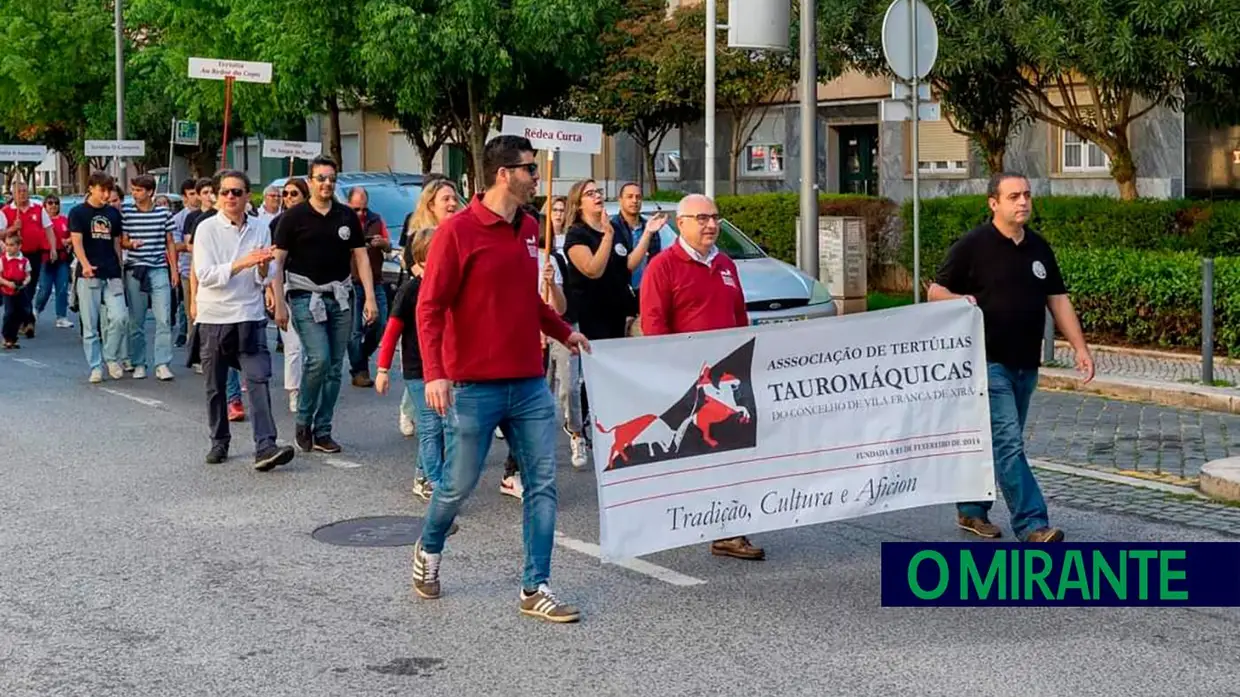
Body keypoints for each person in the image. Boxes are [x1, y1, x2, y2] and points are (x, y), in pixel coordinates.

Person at [411, 135, 590, 623]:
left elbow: (527, 300)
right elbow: (430, 307)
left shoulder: (528, 227)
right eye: (530, 170)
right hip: (472, 385)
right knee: (456, 486)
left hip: (528, 383)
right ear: (503, 174)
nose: (537, 177)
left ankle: (536, 586)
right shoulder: (457, 232)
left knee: (542, 484)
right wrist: (436, 374)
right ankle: (428, 549)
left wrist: (562, 332)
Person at [928, 171, 1095, 544]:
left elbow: (1058, 299)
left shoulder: (1039, 248)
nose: (1023, 202)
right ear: (994, 204)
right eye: (1014, 196)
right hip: (987, 362)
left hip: (1025, 363)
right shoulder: (973, 246)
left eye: (1027, 195)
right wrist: (958, 300)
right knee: (1008, 443)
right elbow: (934, 291)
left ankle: (971, 509)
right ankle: (1033, 524)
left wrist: (1081, 349)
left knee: (998, 440)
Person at [639, 193, 766, 562]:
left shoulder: (725, 264)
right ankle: (666, 519)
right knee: (694, 457)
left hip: (727, 383)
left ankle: (727, 530)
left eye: (715, 217)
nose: (711, 225)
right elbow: (654, 326)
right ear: (682, 223)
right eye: (702, 218)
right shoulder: (663, 267)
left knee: (730, 455)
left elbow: (739, 317)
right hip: (691, 384)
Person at [272, 155, 379, 454]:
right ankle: (303, 420)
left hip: (341, 296)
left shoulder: (346, 217)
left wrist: (369, 297)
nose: (327, 183)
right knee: (318, 358)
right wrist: (279, 302)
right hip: (305, 295)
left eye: (331, 178)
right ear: (310, 182)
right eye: (321, 178)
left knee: (334, 367)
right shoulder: (293, 218)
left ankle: (323, 430)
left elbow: (360, 257)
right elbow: (277, 263)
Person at [192, 169, 296, 471]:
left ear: (248, 196)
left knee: (259, 378)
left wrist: (263, 269)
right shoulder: (206, 229)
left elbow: (264, 278)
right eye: (224, 192)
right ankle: (219, 439)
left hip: (248, 316)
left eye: (237, 192)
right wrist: (243, 262)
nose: (230, 198)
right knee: (216, 385)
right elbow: (207, 276)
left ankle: (265, 445)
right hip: (214, 317)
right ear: (216, 195)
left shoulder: (261, 227)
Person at [375, 232, 444, 500]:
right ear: (423, 258)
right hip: (417, 369)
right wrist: (382, 370)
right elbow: (392, 331)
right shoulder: (411, 290)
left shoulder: (447, 287)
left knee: (443, 425)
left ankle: (422, 474)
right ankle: (435, 481)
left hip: (443, 369)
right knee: (430, 424)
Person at [396, 178, 459, 437]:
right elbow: (420, 276)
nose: (452, 203)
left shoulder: (459, 230)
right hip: (423, 307)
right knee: (421, 364)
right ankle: (410, 408)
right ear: (431, 204)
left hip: (454, 307)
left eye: (454, 198)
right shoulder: (418, 236)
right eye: (446, 199)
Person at [563, 179, 643, 343]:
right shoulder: (577, 234)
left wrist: (648, 233)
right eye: (590, 194)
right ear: (579, 204)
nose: (597, 196)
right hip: (590, 316)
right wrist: (607, 237)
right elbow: (593, 270)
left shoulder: (612, 229)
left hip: (616, 314)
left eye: (598, 192)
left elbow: (625, 267)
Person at [68, 172, 128, 383]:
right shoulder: (78, 213)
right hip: (89, 274)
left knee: (120, 318)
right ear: (91, 188)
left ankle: (111, 356)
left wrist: (120, 266)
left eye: (108, 190)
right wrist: (84, 265)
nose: (105, 194)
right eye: (102, 190)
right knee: (90, 324)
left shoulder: (113, 213)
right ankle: (95, 366)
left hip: (111, 272)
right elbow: (77, 242)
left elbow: (116, 243)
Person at [121, 175, 178, 381]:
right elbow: (122, 241)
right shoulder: (126, 212)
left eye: (139, 190)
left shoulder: (164, 213)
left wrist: (174, 270)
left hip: (159, 268)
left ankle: (162, 363)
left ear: (150, 192)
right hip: (136, 269)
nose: (134, 194)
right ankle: (138, 362)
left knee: (164, 318)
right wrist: (131, 244)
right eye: (133, 190)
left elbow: (170, 241)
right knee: (137, 319)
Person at [264, 177, 309, 414]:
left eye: (294, 194)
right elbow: (273, 262)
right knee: (293, 345)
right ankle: (294, 390)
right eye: (286, 194)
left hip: (314, 288)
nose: (289, 198)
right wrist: (271, 291)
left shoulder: (315, 220)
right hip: (287, 286)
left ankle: (311, 389)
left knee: (314, 348)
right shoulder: (276, 224)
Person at [345, 186, 391, 388]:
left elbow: (390, 246)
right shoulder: (343, 221)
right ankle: (359, 370)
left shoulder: (376, 220)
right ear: (348, 205)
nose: (361, 214)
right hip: (352, 282)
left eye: (364, 209)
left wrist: (382, 243)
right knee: (354, 331)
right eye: (356, 209)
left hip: (376, 280)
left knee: (380, 323)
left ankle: (362, 356)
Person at [2, 180, 56, 339]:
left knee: (29, 286)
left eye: (25, 191)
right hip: (14, 256)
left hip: (33, 254)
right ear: (13, 193)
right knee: (16, 289)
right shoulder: (6, 211)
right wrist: (13, 228)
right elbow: (1, 233)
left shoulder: (38, 209)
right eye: (19, 191)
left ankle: (25, 319)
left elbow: (48, 229)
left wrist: (52, 248)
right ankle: (25, 320)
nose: (23, 194)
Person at [610, 181, 665, 291]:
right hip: (620, 292)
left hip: (647, 290)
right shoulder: (612, 228)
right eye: (629, 197)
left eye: (638, 197)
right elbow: (620, 266)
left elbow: (656, 260)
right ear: (620, 200)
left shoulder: (650, 227)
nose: (634, 201)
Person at [33, 194, 73, 329]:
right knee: (45, 288)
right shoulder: (41, 222)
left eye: (56, 203)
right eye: (50, 203)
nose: (53, 206)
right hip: (46, 258)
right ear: (45, 206)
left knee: (62, 287)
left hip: (62, 258)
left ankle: (61, 316)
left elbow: (73, 235)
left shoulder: (64, 220)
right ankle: (37, 309)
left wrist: (68, 241)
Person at [171, 178, 201, 348]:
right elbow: (176, 245)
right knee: (191, 311)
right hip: (187, 269)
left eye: (198, 193)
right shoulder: (178, 219)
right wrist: (191, 246)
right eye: (192, 194)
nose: (196, 197)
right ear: (184, 197)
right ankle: (193, 347)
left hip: (207, 269)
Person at [1, 234, 32, 349]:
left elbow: (28, 275)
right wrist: (8, 283)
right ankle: (7, 337)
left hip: (20, 288)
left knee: (23, 311)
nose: (8, 248)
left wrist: (24, 283)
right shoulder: (3, 260)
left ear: (19, 246)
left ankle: (13, 337)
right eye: (7, 245)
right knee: (9, 312)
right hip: (7, 288)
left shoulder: (24, 261)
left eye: (12, 245)